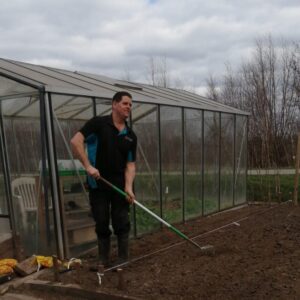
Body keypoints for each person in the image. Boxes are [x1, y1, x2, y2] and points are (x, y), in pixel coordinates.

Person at [70, 91, 137, 266]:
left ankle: (122, 259)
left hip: (119, 186)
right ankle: (103, 260)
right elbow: (75, 141)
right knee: (101, 221)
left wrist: (128, 187)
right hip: (98, 183)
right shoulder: (98, 124)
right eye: (125, 103)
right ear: (114, 104)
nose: (128, 107)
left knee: (121, 222)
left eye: (130, 104)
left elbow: (130, 165)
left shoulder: (130, 135)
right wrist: (88, 166)